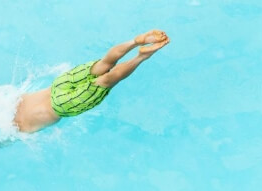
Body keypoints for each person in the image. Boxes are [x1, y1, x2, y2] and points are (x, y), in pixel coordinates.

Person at [13, 30, 170, 133]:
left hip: (61, 105)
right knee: (104, 63)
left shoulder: (14, 129)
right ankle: (134, 42)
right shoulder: (10, 102)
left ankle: (141, 57)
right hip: (58, 85)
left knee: (106, 81)